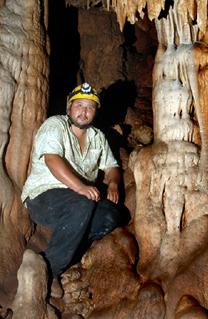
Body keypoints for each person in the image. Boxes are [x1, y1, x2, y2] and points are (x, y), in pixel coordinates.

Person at [21, 82, 121, 298]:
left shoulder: (97, 137)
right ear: (70, 107)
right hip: (43, 198)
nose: (83, 112)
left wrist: (112, 182)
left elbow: (112, 167)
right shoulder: (55, 125)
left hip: (77, 202)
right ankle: (51, 269)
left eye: (89, 107)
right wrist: (81, 188)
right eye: (79, 105)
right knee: (82, 202)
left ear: (95, 112)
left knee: (109, 216)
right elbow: (52, 159)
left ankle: (65, 248)